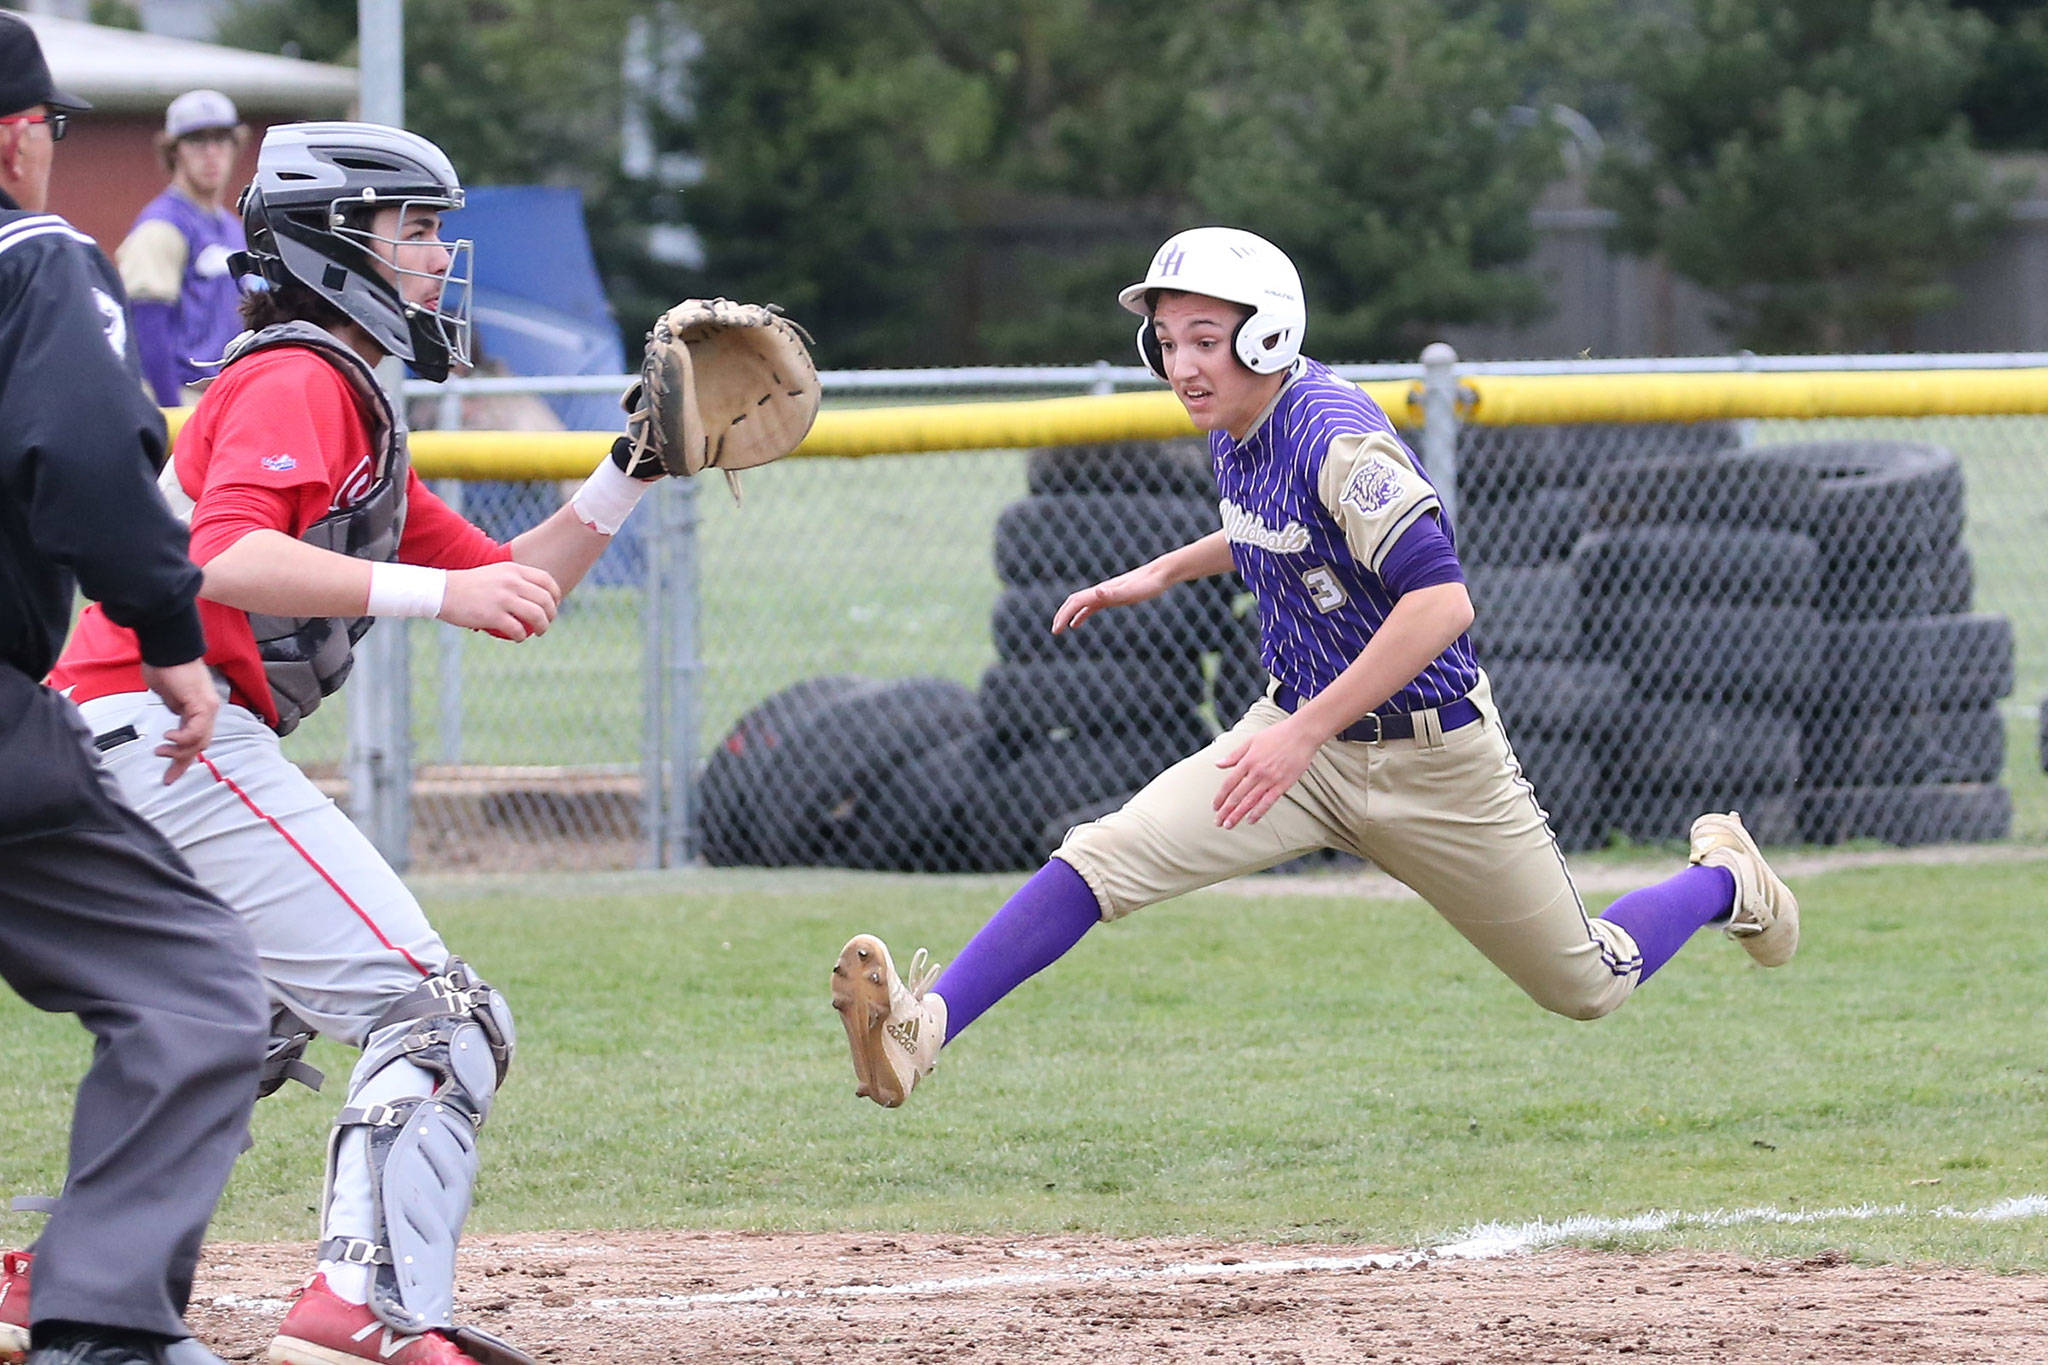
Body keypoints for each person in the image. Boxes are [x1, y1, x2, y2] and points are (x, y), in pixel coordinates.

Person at [831, 225, 1799, 1108]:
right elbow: (1272, 526)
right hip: (1295, 745)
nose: (1180, 362)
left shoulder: (1334, 434)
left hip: (1430, 764)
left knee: (1585, 985)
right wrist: (1165, 568)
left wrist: (1299, 733)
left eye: (1204, 338)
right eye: (1166, 341)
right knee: (1099, 859)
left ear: (1265, 337)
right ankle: (922, 1032)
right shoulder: (1237, 426)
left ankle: (1723, 878)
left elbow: (1441, 602)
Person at [35, 121, 666, 1365]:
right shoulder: (302, 377)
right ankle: (362, 1308)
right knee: (438, 1015)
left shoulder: (345, 394)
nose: (437, 258)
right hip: (167, 729)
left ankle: (45, 1288)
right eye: (415, 230)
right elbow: (224, 555)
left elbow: (513, 586)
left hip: (117, 732)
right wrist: (436, 600)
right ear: (336, 248)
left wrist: (631, 469)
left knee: (222, 1027)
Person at [0, 17, 270, 1365]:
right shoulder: (37, 256)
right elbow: (90, 450)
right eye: (50, 123)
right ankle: (104, 1327)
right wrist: (169, 628)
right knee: (198, 988)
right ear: (14, 136)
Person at [116, 89, 249, 406]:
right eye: (197, 140)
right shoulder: (162, 225)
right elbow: (147, 325)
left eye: (221, 139)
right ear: (174, 150)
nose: (211, 152)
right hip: (177, 400)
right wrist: (169, 409)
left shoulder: (232, 228)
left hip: (224, 398)